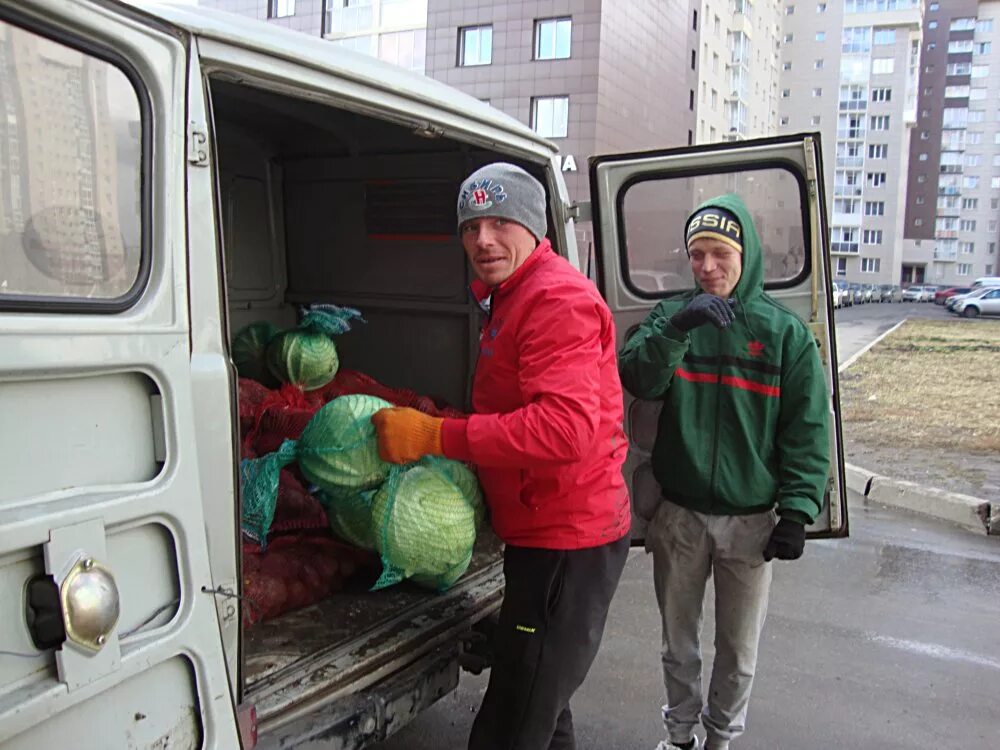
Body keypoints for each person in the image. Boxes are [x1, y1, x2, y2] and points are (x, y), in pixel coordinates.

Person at [370, 162, 632, 750]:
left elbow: (564, 431)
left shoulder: (555, 300)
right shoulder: (512, 295)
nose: (482, 239)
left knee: (510, 724)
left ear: (534, 226)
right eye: (470, 226)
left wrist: (437, 437)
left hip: (568, 540)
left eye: (500, 222)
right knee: (542, 701)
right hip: (542, 532)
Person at [618, 194, 830, 750]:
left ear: (746, 256)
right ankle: (680, 737)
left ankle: (720, 741)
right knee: (678, 643)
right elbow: (638, 378)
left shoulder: (783, 333)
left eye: (719, 254)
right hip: (680, 515)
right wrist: (679, 328)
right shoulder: (672, 317)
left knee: (737, 650)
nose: (707, 267)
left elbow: (807, 429)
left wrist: (799, 511)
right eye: (696, 255)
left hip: (751, 522)